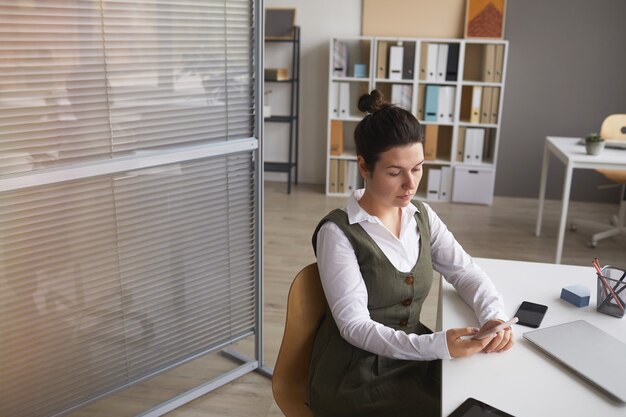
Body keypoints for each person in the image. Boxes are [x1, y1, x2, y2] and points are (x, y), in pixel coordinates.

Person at [308, 90, 514, 417]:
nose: (410, 184)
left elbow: (465, 272)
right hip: (357, 373)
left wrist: (493, 316)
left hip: (413, 351)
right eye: (395, 172)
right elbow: (355, 326)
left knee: (483, 395)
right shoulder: (338, 233)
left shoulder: (422, 216)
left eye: (417, 169)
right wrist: (438, 345)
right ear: (364, 166)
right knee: (454, 408)